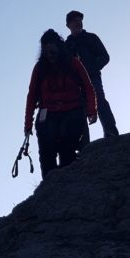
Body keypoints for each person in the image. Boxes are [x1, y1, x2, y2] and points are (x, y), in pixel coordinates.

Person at [24, 29, 97, 180]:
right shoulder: (39, 69)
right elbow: (31, 96)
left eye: (52, 49)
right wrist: (28, 124)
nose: (50, 54)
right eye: (46, 50)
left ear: (59, 46)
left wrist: (91, 109)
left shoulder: (73, 62)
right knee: (47, 156)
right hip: (48, 114)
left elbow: (88, 86)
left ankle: (66, 186)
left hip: (72, 112)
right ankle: (50, 187)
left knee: (67, 152)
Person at [64, 10, 119, 139]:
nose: (78, 22)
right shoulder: (66, 46)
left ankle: (111, 132)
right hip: (76, 84)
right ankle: (83, 143)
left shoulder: (91, 38)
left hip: (93, 78)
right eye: (74, 20)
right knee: (78, 110)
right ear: (68, 25)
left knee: (99, 101)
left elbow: (105, 56)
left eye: (79, 20)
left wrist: (92, 69)